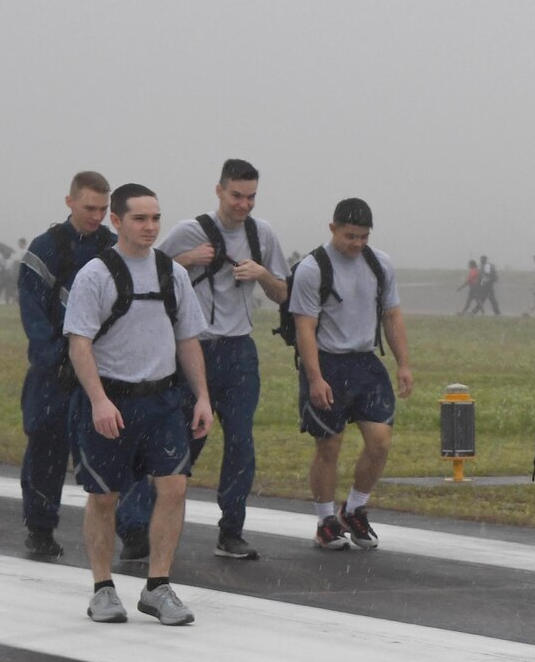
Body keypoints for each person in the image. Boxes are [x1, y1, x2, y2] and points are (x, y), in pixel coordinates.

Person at [62, 184, 213, 625]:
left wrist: (201, 396)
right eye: (139, 219)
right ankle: (103, 588)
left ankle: (158, 586)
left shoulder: (173, 273)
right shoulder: (95, 274)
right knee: (104, 497)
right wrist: (99, 401)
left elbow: (187, 339)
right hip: (111, 399)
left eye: (155, 219)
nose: (149, 227)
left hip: (164, 400)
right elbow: (79, 345)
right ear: (117, 221)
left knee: (174, 488)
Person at [17, 172, 155, 562]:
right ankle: (41, 529)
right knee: (46, 448)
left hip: (103, 371)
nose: (96, 216)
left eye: (102, 209)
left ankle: (133, 530)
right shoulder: (44, 250)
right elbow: (33, 314)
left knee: (119, 448)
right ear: (70, 202)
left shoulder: (114, 249)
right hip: (53, 376)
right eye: (89, 207)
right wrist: (56, 360)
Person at [158, 159, 289, 560]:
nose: (243, 205)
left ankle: (231, 530)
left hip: (239, 351)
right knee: (184, 441)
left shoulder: (261, 233)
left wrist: (262, 274)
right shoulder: (188, 231)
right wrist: (187, 259)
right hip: (194, 349)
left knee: (240, 442)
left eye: (251, 197)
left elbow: (284, 294)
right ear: (219, 190)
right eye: (236, 196)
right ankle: (148, 524)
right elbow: (148, 273)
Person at [286, 198, 413, 550]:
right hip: (327, 362)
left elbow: (392, 316)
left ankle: (354, 509)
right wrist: (315, 378)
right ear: (333, 228)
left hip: (366, 362)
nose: (357, 244)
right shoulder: (313, 268)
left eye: (363, 237)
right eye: (350, 236)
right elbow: (305, 328)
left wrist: (403, 363)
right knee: (329, 445)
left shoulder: (379, 264)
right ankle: (325, 520)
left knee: (380, 442)